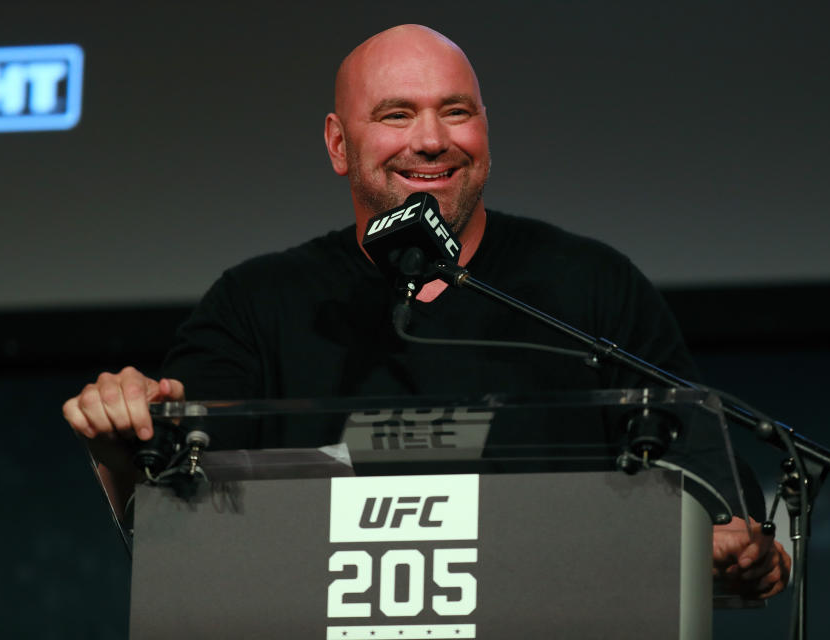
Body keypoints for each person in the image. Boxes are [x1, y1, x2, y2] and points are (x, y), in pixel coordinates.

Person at [63, 24, 790, 599]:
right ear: (339, 144)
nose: (432, 139)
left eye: (456, 112)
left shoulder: (591, 284)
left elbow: (708, 485)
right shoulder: (257, 303)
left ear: (484, 133)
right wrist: (126, 434)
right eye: (396, 114)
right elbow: (181, 478)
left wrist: (729, 538)